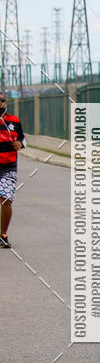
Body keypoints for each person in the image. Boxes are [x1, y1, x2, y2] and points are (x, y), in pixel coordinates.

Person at [0, 92, 26, 249]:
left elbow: (24, 138)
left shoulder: (14, 120)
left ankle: (3, 235)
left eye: (2, 100)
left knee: (6, 199)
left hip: (9, 167)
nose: (1, 103)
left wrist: (21, 145)